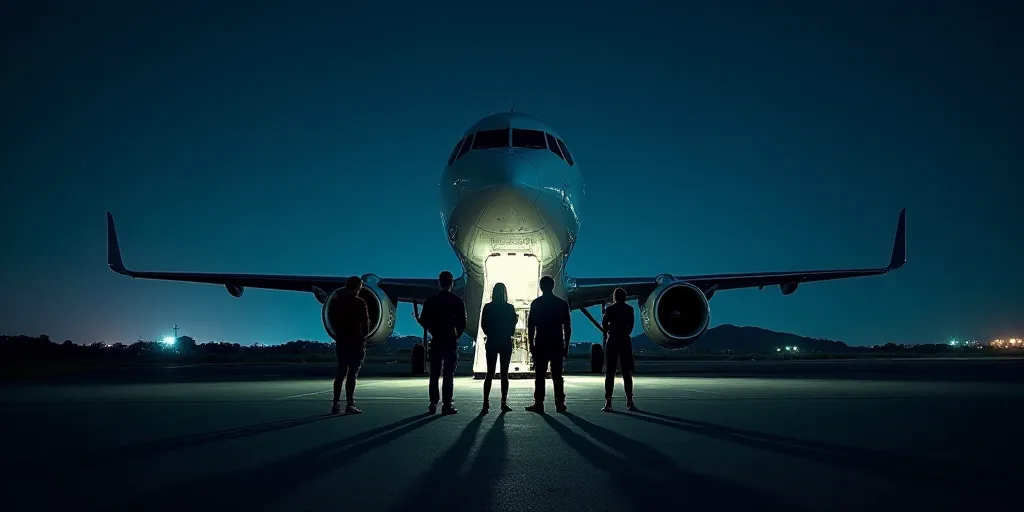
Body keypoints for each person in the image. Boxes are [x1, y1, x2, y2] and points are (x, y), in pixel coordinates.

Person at [416, 270, 467, 415]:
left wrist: (434, 331)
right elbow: (462, 322)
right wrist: (455, 335)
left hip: (436, 340)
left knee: (434, 374)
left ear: (439, 283)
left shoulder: (430, 301)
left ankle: (433, 404)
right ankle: (446, 405)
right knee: (448, 375)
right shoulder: (457, 301)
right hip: (450, 340)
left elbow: (424, 321)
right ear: (452, 283)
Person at [525, 275, 571, 413]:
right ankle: (560, 403)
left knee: (539, 376)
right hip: (556, 343)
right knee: (557, 376)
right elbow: (567, 327)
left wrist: (531, 345)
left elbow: (531, 326)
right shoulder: (561, 304)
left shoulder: (536, 304)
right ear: (553, 286)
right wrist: (566, 345)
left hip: (541, 342)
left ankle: (539, 403)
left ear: (540, 287)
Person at [328, 276, 370, 415]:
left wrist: (339, 334)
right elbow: (365, 323)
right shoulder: (359, 302)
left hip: (342, 341)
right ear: (358, 287)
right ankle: (350, 404)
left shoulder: (336, 302)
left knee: (340, 373)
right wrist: (363, 337)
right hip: (355, 341)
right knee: (352, 375)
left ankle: (335, 404)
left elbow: (332, 321)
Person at [480, 282, 518, 414]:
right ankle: (503, 403)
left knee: (489, 374)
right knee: (504, 374)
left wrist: (491, 333)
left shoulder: (488, 307)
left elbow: (483, 325)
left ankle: (485, 403)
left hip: (492, 341)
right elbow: (512, 330)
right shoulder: (510, 308)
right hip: (505, 341)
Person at [601, 287, 638, 412]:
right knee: (626, 373)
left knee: (610, 373)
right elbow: (631, 326)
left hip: (612, 341)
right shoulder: (629, 309)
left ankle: (608, 402)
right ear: (625, 297)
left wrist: (607, 335)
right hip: (624, 340)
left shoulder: (610, 309)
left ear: (614, 297)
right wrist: (625, 332)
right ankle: (629, 401)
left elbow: (604, 323)